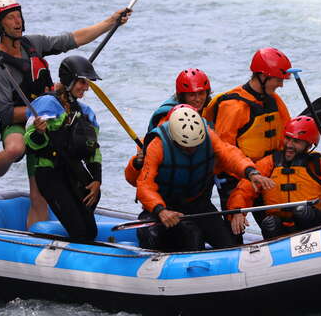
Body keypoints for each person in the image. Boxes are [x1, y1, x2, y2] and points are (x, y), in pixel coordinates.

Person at [0, 0, 130, 227]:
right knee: (16, 149)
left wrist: (110, 21)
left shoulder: (33, 44)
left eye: (18, 16)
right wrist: (42, 106)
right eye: (10, 18)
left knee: (41, 193)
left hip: (50, 118)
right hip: (19, 121)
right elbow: (6, 114)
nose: (17, 22)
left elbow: (73, 39)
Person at [136, 105, 274, 251]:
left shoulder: (208, 135)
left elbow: (229, 154)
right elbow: (144, 185)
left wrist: (251, 172)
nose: (193, 150)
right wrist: (161, 210)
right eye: (187, 147)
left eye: (196, 145)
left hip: (197, 204)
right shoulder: (157, 145)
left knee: (229, 245)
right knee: (169, 236)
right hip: (164, 206)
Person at [228, 116, 321, 239]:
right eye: (287, 139)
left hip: (313, 225)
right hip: (280, 228)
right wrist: (237, 211)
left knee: (302, 210)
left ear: (308, 145)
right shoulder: (269, 163)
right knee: (269, 223)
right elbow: (244, 189)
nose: (289, 145)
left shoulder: (318, 166)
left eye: (296, 142)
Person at [202, 47, 292, 217]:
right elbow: (224, 151)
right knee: (234, 230)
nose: (281, 85)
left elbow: (287, 134)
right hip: (234, 178)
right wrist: (249, 173)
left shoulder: (274, 100)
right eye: (278, 80)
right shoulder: (233, 106)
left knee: (274, 223)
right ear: (263, 76)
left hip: (265, 172)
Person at [24, 55, 102, 240]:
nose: (86, 87)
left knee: (91, 232)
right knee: (80, 232)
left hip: (73, 174)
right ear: (69, 81)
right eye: (81, 82)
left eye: (87, 83)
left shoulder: (85, 113)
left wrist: (97, 179)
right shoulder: (47, 105)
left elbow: (94, 148)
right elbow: (30, 142)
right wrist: (39, 133)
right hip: (50, 174)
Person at [124, 69, 212, 186]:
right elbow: (137, 180)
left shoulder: (210, 112)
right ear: (182, 96)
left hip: (196, 189)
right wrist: (137, 164)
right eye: (191, 95)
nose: (198, 99)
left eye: (201, 93)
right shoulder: (168, 120)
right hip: (168, 187)